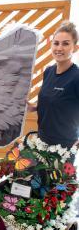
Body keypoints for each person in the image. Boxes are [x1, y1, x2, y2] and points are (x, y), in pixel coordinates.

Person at [28, 21, 79, 149]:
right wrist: (34, 107)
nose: (59, 48)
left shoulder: (76, 77)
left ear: (75, 47)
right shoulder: (48, 71)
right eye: (56, 43)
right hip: (41, 141)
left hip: (64, 147)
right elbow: (52, 102)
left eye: (65, 44)